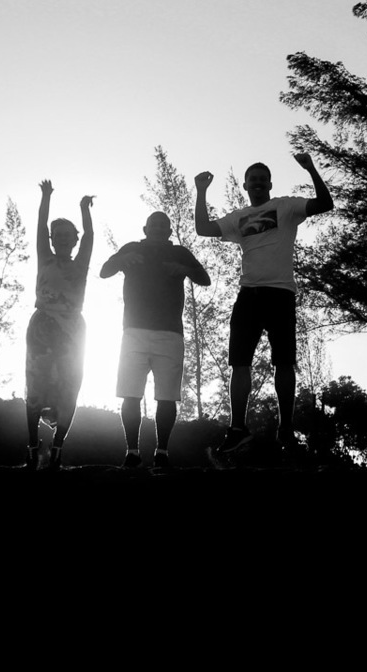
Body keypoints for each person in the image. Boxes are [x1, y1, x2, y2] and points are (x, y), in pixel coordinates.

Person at [194, 153, 333, 454]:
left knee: (284, 362)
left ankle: (286, 430)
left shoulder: (286, 206)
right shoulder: (237, 218)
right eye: (252, 179)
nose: (257, 183)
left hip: (280, 294)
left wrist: (311, 169)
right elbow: (203, 229)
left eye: (262, 179)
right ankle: (237, 429)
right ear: (245, 185)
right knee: (239, 363)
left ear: (270, 184)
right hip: (249, 295)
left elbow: (325, 204)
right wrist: (201, 191)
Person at [100, 211, 210, 469]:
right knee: (130, 394)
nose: (159, 227)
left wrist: (184, 269)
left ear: (169, 231)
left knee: (167, 396)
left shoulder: (180, 252)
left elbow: (204, 279)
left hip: (170, 333)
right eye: (154, 224)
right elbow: (105, 272)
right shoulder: (131, 247)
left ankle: (162, 452)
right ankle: (132, 451)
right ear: (145, 228)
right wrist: (122, 259)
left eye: (164, 225)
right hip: (134, 332)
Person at [24, 180, 94, 471]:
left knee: (70, 386)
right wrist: (46, 197)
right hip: (42, 324)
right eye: (58, 235)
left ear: (74, 240)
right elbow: (40, 227)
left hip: (72, 328)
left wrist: (83, 209)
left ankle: (57, 447)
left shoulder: (81, 262)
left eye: (68, 236)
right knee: (35, 387)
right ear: (52, 239)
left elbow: (90, 234)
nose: (63, 239)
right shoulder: (45, 258)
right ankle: (31, 448)